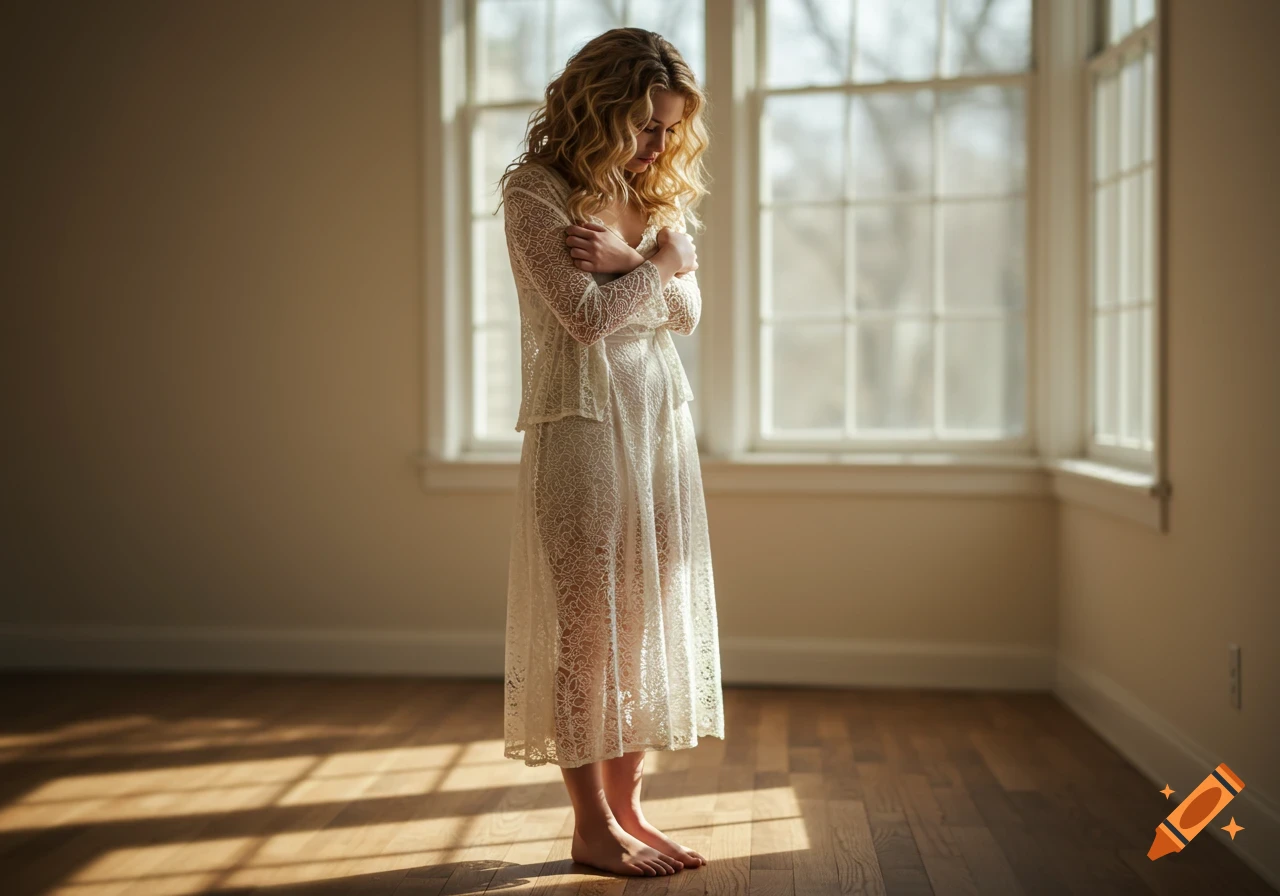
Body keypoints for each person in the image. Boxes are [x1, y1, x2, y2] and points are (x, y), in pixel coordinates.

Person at [495, 27, 725, 879]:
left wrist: (637, 261)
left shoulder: (653, 194)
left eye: (669, 127)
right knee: (588, 634)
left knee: (642, 627)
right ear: (597, 107)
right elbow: (582, 320)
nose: (659, 143)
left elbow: (688, 312)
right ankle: (590, 826)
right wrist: (659, 270)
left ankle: (630, 809)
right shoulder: (535, 191)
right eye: (644, 124)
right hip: (581, 424)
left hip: (660, 422)